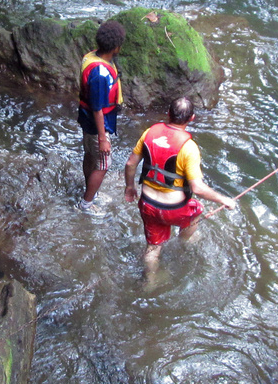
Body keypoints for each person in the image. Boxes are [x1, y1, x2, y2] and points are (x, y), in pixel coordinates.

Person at [123, 96, 236, 271]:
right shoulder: (189, 147)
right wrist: (224, 200)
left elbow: (130, 164)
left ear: (168, 114)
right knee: (197, 211)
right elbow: (197, 188)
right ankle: (185, 241)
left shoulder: (149, 133)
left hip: (148, 204)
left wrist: (130, 187)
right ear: (192, 118)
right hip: (174, 209)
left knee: (152, 248)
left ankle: (150, 282)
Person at [78, 19, 125, 204]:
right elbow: (98, 108)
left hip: (86, 119)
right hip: (97, 124)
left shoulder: (92, 57)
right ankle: (87, 202)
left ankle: (89, 190)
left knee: (90, 155)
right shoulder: (100, 73)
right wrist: (103, 138)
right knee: (104, 164)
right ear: (116, 47)